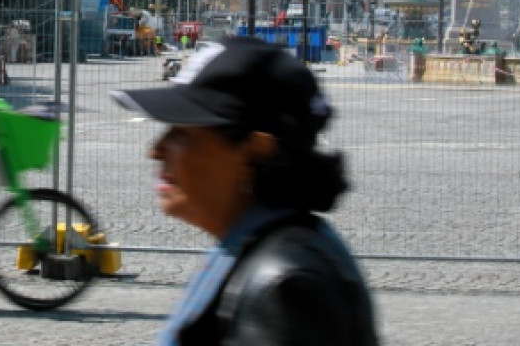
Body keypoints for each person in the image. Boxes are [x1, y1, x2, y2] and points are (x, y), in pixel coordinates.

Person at [112, 35, 378, 346]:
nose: (156, 151)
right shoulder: (256, 251)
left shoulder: (285, 287)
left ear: (255, 150)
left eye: (183, 133)